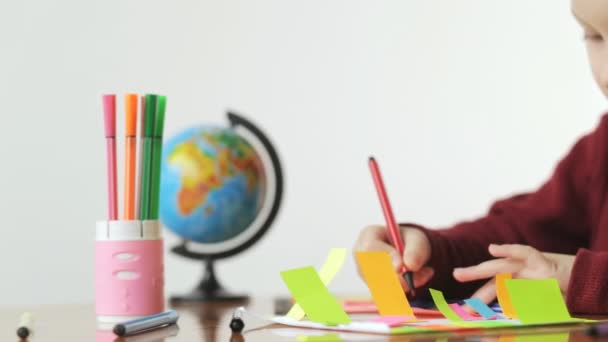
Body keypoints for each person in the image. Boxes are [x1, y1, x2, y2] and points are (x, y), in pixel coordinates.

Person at [354, 0, 608, 314]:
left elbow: (574, 275)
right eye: (593, 36)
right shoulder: (600, 151)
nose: (605, 72)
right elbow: (521, 236)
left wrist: (585, 280)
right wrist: (430, 253)